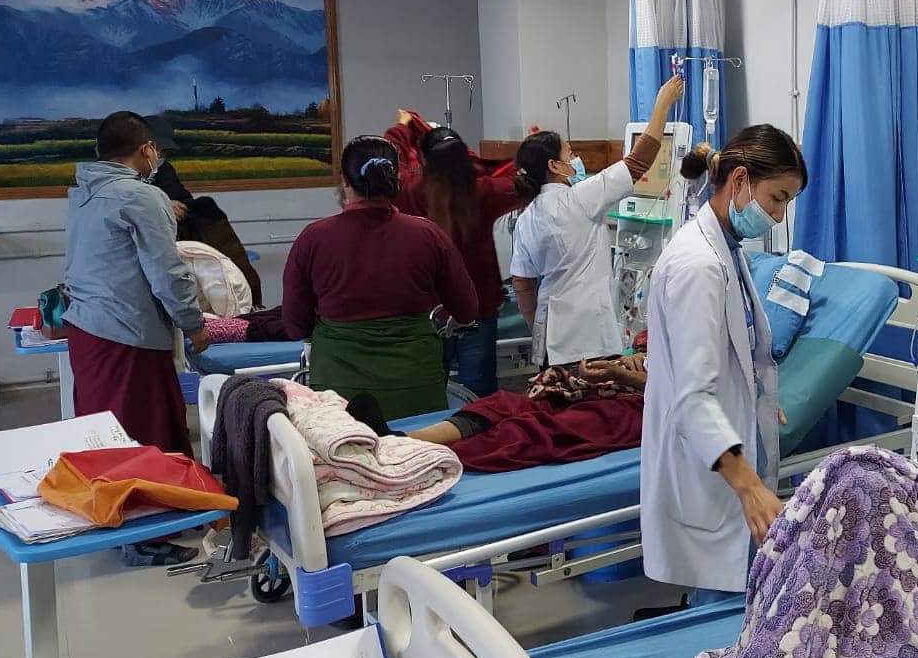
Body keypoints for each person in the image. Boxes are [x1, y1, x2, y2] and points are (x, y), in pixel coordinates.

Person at [640, 124, 807, 603]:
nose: (778, 215)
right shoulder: (699, 265)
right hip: (712, 472)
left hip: (722, 453)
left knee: (737, 602)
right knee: (720, 613)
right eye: (776, 198)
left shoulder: (726, 250)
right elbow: (692, 398)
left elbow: (735, 349)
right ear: (739, 181)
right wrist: (750, 487)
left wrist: (755, 395)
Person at [63, 111, 210, 565]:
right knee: (138, 429)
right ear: (147, 150)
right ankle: (141, 535)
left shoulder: (83, 194)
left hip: (88, 327)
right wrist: (193, 323)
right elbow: (167, 272)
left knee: (109, 429)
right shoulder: (139, 196)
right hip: (125, 331)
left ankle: (160, 509)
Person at [282, 135, 477, 419]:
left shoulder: (313, 238)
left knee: (347, 447)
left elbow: (295, 324)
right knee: (420, 445)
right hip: (416, 385)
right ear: (396, 178)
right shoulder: (427, 235)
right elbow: (467, 309)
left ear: (344, 180)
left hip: (340, 392)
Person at [510, 74, 685, 368]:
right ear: (554, 165)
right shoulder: (580, 198)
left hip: (550, 341)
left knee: (555, 395)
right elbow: (638, 162)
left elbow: (522, 284)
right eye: (569, 153)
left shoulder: (526, 217)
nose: (575, 159)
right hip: (588, 340)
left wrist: (536, 326)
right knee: (593, 397)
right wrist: (662, 106)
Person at [384, 113, 520, 397]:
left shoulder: (410, 191)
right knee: (480, 394)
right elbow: (516, 175)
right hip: (479, 308)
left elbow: (393, 161)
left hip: (429, 310)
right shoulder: (485, 192)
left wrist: (404, 127)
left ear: (424, 160)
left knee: (430, 391)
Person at [147, 116, 264, 304]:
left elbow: (184, 200)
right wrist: (162, 206)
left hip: (179, 239)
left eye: (164, 151)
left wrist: (174, 204)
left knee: (206, 207)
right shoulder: (123, 183)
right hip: (152, 254)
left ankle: (246, 297)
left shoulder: (165, 169)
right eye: (157, 150)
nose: (160, 155)